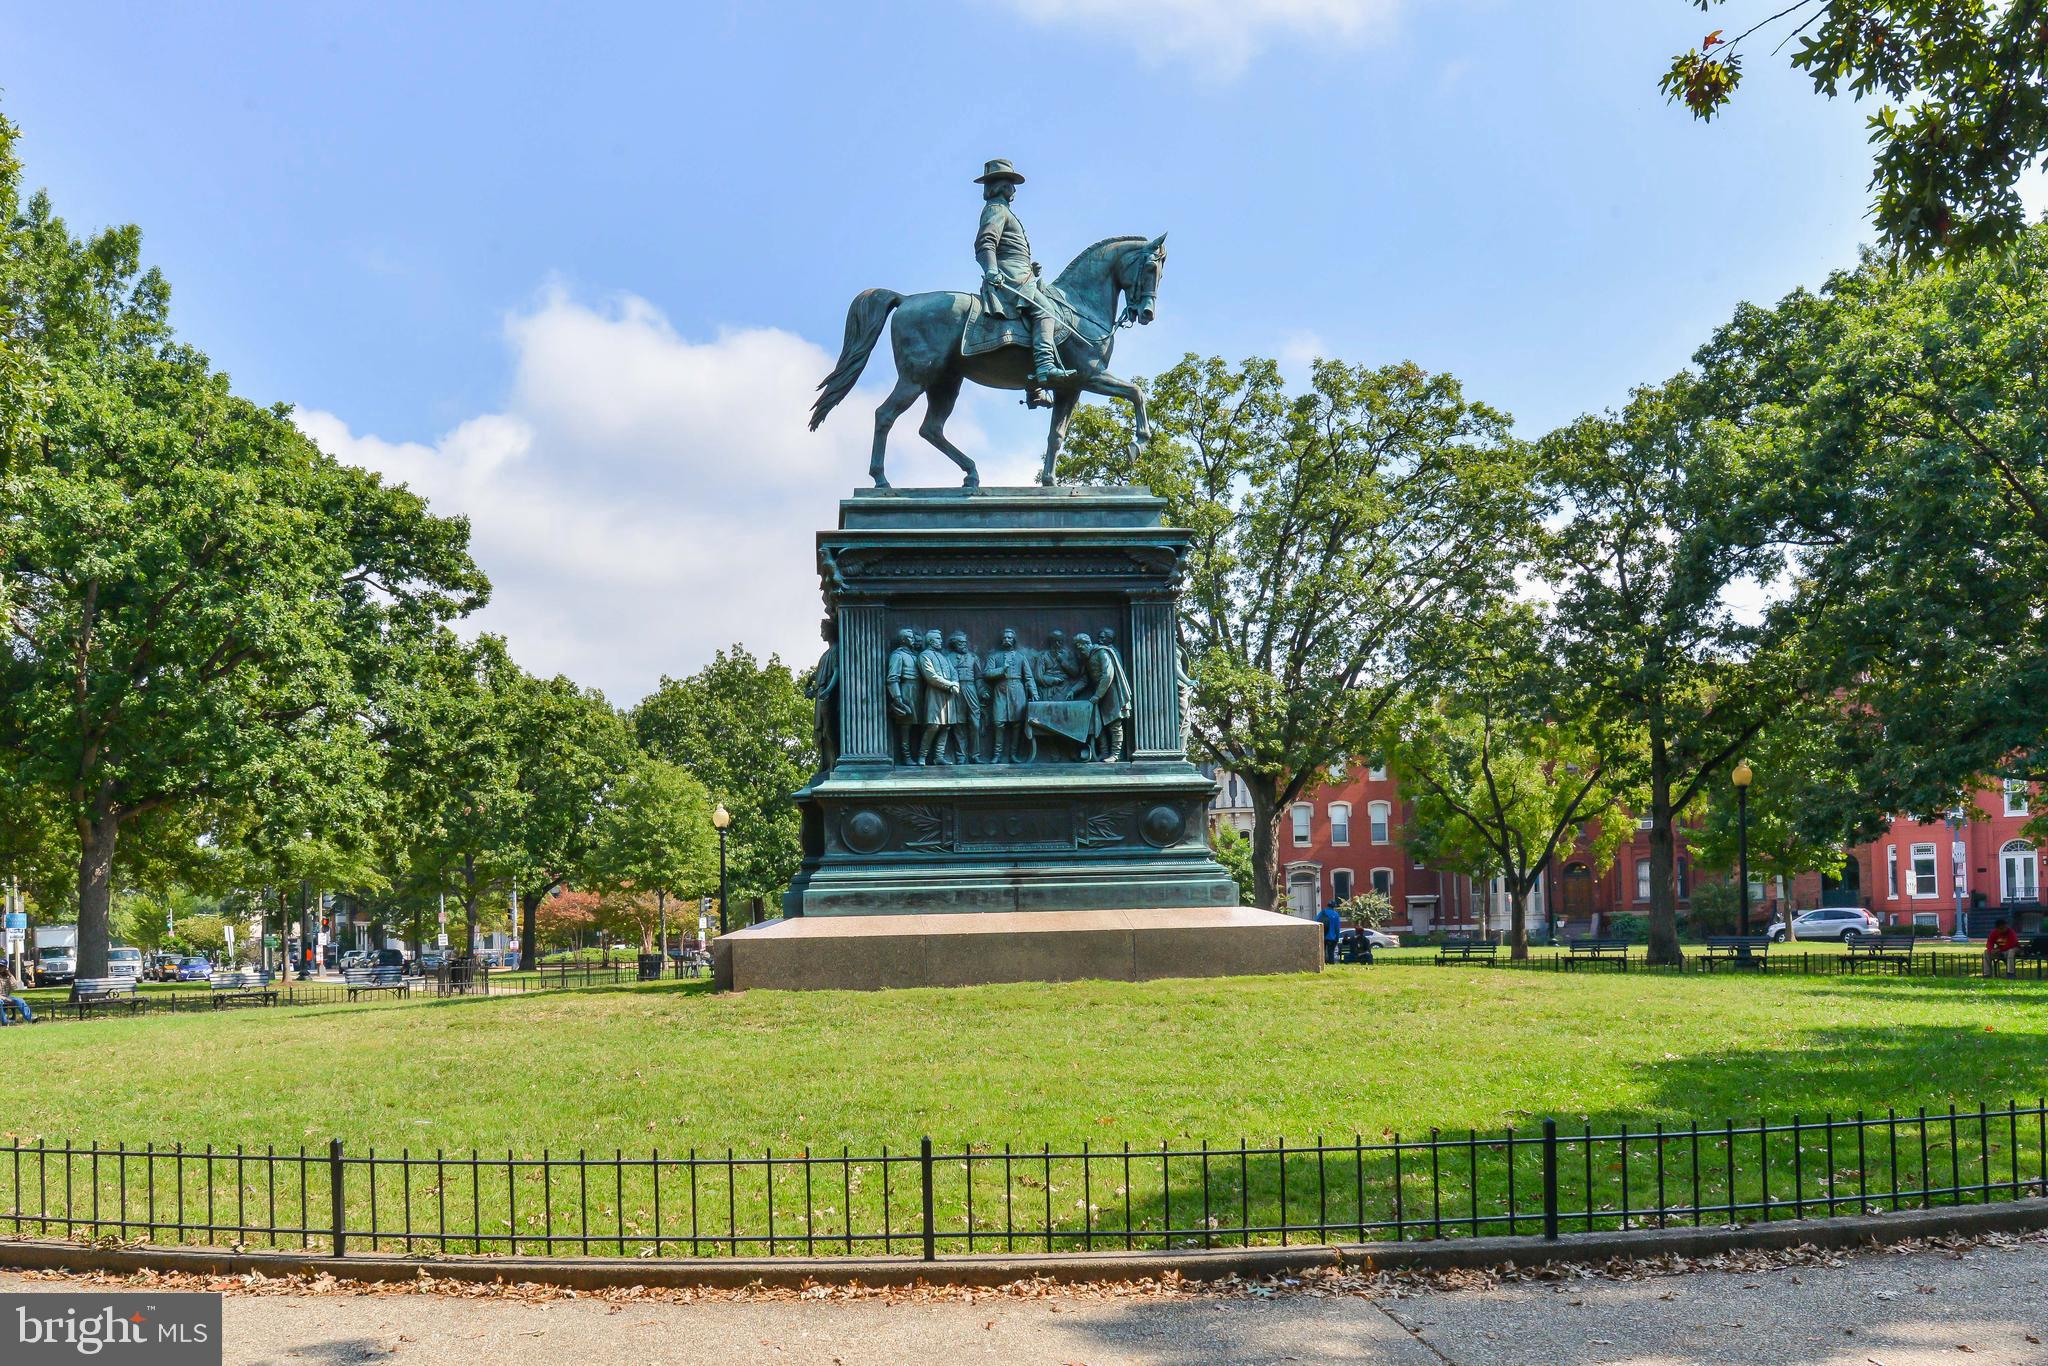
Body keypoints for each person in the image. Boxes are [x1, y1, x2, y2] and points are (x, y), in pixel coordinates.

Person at [973, 158, 1075, 394]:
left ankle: (1033, 388)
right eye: (1011, 183)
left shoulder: (1005, 211)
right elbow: (986, 242)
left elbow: (1010, 248)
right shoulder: (996, 210)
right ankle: (1045, 367)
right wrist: (991, 270)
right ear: (1002, 185)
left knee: (1044, 309)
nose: (1015, 189)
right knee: (1046, 313)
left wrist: (1030, 267)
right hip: (1010, 276)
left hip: (1022, 274)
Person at [1072, 632, 1131, 762]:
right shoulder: (1089, 657)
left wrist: (1098, 695)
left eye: (1080, 648)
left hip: (1111, 693)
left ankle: (1115, 754)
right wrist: (1073, 691)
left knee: (1114, 723)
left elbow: (1108, 675)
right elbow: (1085, 679)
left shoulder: (1102, 653)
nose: (1079, 652)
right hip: (1099, 694)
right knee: (1099, 723)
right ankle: (1104, 753)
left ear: (1087, 644)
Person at [982, 627, 1038, 764]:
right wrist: (1002, 669)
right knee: (998, 723)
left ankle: (1013, 754)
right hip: (1000, 690)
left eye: (1009, 637)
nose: (1007, 639)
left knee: (1017, 724)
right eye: (1005, 637)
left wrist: (1034, 693)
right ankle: (997, 754)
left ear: (1014, 640)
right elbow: (987, 674)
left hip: (1017, 690)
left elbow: (1029, 677)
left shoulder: (1021, 657)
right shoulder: (994, 657)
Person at [916, 629, 963, 766]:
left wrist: (955, 683)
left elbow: (954, 672)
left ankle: (939, 756)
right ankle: (922, 756)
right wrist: (950, 685)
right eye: (938, 639)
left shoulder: (943, 657)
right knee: (933, 725)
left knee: (946, 726)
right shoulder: (924, 655)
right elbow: (931, 677)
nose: (941, 641)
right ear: (930, 641)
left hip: (948, 695)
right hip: (934, 694)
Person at [944, 630, 985, 764]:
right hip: (956, 690)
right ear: (954, 644)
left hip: (971, 689)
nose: (964, 644)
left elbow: (979, 677)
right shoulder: (948, 658)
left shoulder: (973, 657)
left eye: (964, 642)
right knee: (959, 724)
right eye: (960, 642)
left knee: (975, 723)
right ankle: (961, 756)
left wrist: (982, 691)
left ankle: (975, 755)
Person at [886, 627, 921, 765]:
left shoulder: (915, 655)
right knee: (906, 725)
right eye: (910, 637)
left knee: (919, 724)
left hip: (919, 691)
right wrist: (898, 698)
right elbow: (892, 678)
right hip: (907, 690)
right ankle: (906, 756)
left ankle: (921, 755)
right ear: (903, 640)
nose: (913, 639)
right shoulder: (897, 655)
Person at [1316, 899, 1344, 966]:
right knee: (1331, 952)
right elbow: (1337, 928)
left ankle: (1322, 964)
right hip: (1332, 937)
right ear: (1334, 906)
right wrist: (1337, 937)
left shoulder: (1322, 912)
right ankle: (1331, 964)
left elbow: (1316, 921)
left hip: (1323, 936)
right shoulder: (1335, 914)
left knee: (1322, 952)